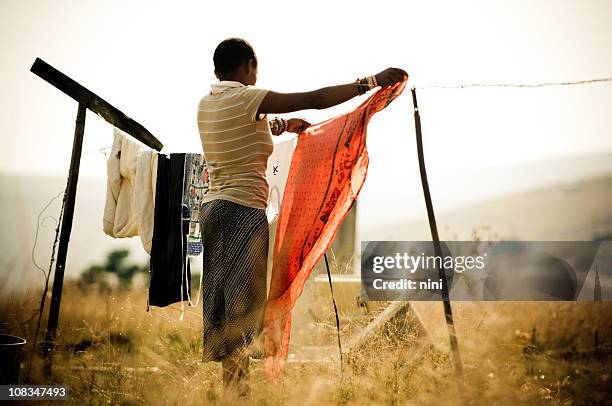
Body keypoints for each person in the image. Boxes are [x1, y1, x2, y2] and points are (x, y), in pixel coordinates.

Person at [197, 37, 407, 399]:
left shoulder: (209, 102)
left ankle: (234, 393)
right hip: (242, 212)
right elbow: (313, 98)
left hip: (214, 211)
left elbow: (246, 128)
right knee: (243, 312)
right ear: (248, 66)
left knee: (226, 310)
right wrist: (369, 82)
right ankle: (238, 395)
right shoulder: (248, 98)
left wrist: (281, 125)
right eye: (255, 69)